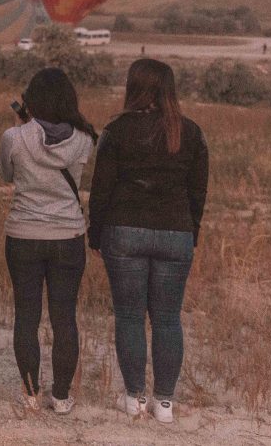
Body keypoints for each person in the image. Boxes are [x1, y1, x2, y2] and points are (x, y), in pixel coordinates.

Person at [89, 59, 208, 424]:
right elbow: (198, 191)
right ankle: (166, 403)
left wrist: (96, 232)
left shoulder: (117, 130)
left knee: (129, 316)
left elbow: (101, 190)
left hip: (125, 230)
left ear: (133, 86)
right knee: (168, 318)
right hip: (176, 231)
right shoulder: (189, 131)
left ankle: (135, 397)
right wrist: (191, 232)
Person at [0, 68, 97, 415]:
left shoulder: (14, 136)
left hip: (24, 233)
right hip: (68, 234)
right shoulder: (85, 139)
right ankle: (61, 395)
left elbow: (8, 176)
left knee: (26, 316)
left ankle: (29, 393)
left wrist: (22, 125)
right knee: (64, 317)